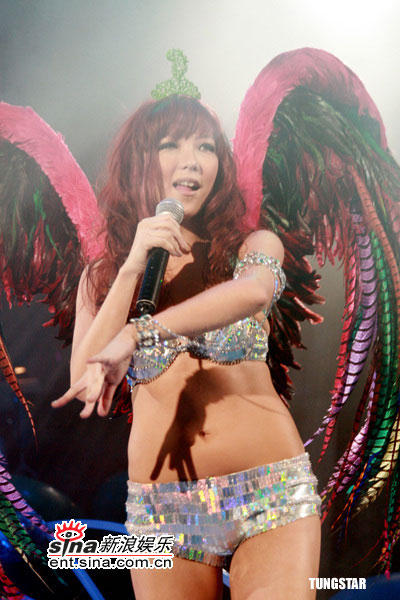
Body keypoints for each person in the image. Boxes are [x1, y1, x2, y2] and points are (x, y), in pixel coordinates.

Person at [53, 94, 321, 600]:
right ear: (140, 161)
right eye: (171, 144)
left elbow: (253, 293)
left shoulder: (252, 247)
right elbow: (84, 382)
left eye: (206, 147)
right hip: (163, 512)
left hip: (270, 493)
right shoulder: (104, 276)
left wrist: (139, 332)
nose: (192, 160)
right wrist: (132, 267)